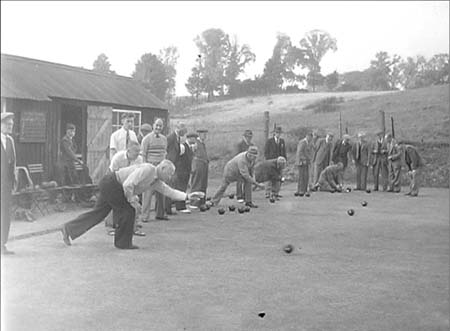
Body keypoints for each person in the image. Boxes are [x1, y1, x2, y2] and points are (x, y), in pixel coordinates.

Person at [61, 161, 205, 249]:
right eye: (169, 173)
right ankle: (123, 243)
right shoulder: (148, 169)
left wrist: (187, 196)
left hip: (112, 184)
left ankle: (68, 229)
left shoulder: (156, 181)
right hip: (112, 183)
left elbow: (169, 191)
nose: (170, 177)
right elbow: (128, 184)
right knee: (128, 211)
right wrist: (133, 200)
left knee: (98, 214)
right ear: (162, 168)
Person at [106, 141, 145, 236]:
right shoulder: (117, 157)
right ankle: (112, 227)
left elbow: (138, 175)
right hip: (114, 180)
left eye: (139, 151)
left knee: (136, 204)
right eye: (135, 151)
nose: (138, 154)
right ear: (128, 150)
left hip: (130, 182)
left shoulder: (139, 159)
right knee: (116, 203)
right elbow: (113, 174)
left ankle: (134, 227)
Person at [141, 118, 168, 221]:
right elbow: (143, 154)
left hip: (161, 167)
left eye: (160, 126)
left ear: (162, 127)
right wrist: (145, 168)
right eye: (156, 125)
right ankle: (144, 216)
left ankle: (160, 213)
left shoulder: (164, 139)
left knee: (162, 191)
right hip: (150, 166)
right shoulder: (146, 139)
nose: (158, 128)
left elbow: (164, 153)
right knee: (148, 192)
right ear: (153, 125)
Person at [1, 112, 16, 255]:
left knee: (5, 214)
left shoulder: (10, 141)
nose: (9, 127)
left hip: (6, 185)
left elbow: (13, 163)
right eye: (7, 124)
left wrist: (13, 182)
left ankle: (2, 244)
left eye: (11, 125)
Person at [165, 122, 187, 215]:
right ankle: (167, 209)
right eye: (182, 129)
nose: (184, 132)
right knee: (168, 187)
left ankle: (168, 208)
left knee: (172, 186)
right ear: (177, 128)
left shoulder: (177, 138)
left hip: (174, 166)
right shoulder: (170, 137)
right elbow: (165, 150)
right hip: (169, 165)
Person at [173, 133, 196, 213]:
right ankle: (180, 207)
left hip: (186, 171)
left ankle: (182, 205)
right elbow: (177, 157)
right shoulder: (183, 147)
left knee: (184, 188)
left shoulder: (190, 148)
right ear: (189, 138)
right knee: (180, 188)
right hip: (181, 171)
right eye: (194, 138)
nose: (195, 140)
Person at [264, 126, 287, 198]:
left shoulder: (282, 141)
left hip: (280, 163)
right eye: (277, 133)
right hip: (271, 162)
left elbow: (284, 152)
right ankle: (268, 192)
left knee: (278, 177)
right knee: (269, 177)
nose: (278, 134)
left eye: (279, 133)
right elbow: (266, 152)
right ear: (274, 133)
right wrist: (268, 161)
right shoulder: (269, 141)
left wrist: (285, 160)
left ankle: (275, 192)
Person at [190, 129, 209, 209]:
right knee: (197, 183)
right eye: (203, 134)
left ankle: (202, 202)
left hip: (204, 165)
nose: (204, 135)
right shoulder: (195, 143)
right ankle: (194, 203)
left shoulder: (202, 143)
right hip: (198, 165)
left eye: (205, 134)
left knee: (203, 184)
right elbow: (192, 153)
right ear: (199, 134)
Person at [235, 129, 254, 202]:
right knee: (240, 181)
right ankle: (239, 196)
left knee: (248, 181)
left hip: (249, 166)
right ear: (244, 137)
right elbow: (237, 155)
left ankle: (246, 195)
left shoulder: (252, 145)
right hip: (241, 165)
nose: (249, 138)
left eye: (250, 137)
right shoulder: (240, 145)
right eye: (248, 137)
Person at [295, 131, 314, 196]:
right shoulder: (302, 142)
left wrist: (309, 159)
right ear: (307, 136)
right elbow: (299, 152)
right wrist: (304, 159)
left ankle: (304, 190)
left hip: (306, 162)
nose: (310, 139)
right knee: (301, 176)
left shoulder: (309, 143)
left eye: (311, 138)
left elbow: (309, 152)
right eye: (309, 137)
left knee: (306, 176)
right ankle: (300, 190)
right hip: (301, 162)